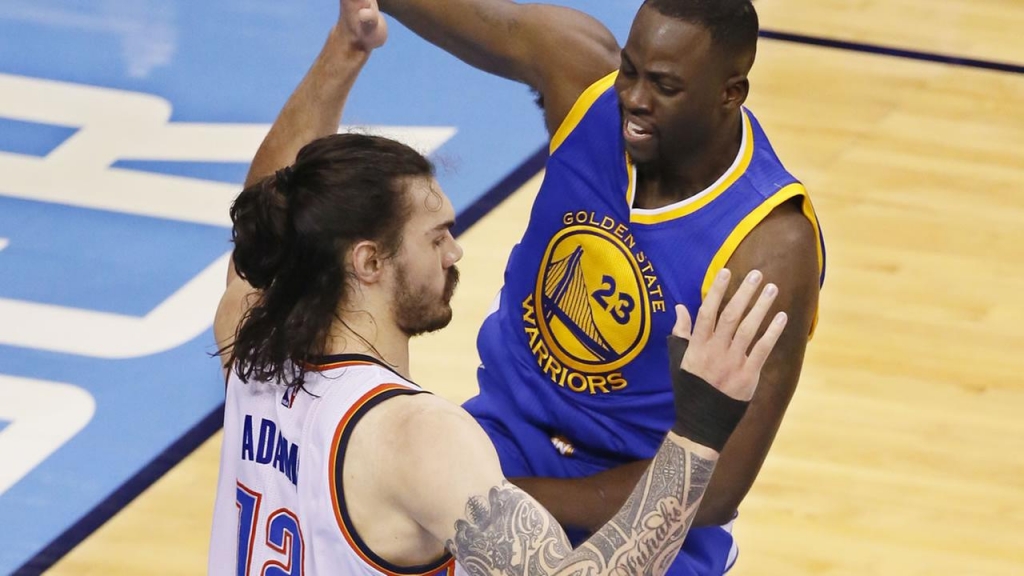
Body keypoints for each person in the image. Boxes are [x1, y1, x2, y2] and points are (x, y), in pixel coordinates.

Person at [208, 1, 790, 574]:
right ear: (368, 262)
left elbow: (267, 206)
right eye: (436, 238)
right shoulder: (420, 442)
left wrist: (346, 48)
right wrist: (696, 435)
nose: (455, 252)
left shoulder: (252, 346)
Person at [375, 0, 827, 573]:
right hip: (503, 436)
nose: (634, 98)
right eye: (631, 71)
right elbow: (473, 19)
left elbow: (716, 486)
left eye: (664, 85)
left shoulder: (769, 247)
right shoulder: (588, 85)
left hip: (651, 499)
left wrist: (499, 503)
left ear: (730, 93)